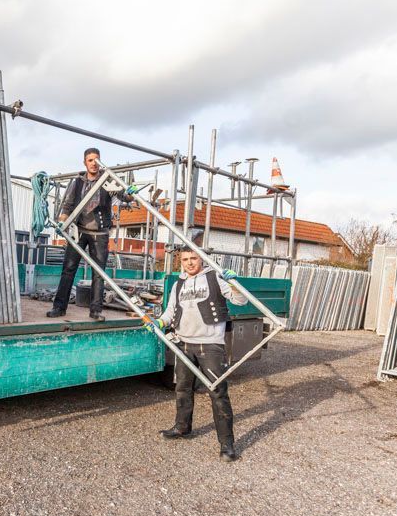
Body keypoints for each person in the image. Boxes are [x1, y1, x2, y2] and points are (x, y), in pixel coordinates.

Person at [146, 247, 247, 462]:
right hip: (184, 344)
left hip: (210, 344)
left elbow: (241, 301)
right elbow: (170, 312)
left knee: (218, 392)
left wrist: (233, 283)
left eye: (193, 258)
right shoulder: (178, 284)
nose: (190, 263)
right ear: (180, 262)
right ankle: (182, 428)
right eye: (185, 259)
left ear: (201, 259)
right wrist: (159, 323)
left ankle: (227, 444)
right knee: (182, 388)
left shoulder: (214, 277)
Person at [47, 148, 138, 321]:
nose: (94, 163)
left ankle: (95, 311)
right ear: (85, 162)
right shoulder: (78, 182)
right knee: (68, 269)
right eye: (90, 160)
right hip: (78, 231)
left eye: (97, 160)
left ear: (100, 161)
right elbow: (67, 204)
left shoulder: (107, 180)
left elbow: (124, 196)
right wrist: (62, 222)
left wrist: (131, 194)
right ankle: (59, 307)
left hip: (100, 233)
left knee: (99, 273)